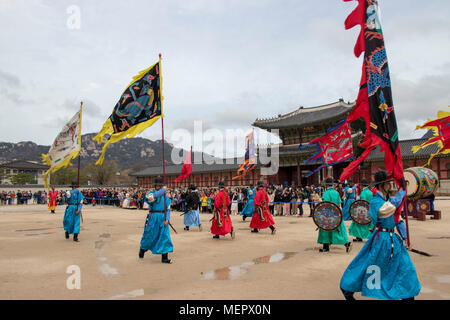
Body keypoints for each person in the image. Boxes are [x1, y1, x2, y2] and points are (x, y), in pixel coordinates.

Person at [340, 170, 421, 300]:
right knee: (368, 265)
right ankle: (347, 288)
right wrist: (401, 193)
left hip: (394, 240)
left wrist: (406, 238)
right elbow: (386, 210)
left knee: (405, 267)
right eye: (388, 183)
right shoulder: (376, 201)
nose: (390, 185)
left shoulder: (389, 200)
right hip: (381, 240)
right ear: (382, 185)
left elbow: (398, 219)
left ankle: (407, 295)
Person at [139, 177, 173, 263]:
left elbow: (168, 208)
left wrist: (167, 218)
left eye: (160, 185)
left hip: (163, 216)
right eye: (157, 185)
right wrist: (162, 191)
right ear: (155, 186)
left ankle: (164, 257)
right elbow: (151, 198)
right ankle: (143, 248)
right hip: (153, 216)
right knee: (149, 234)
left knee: (164, 236)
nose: (159, 186)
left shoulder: (165, 196)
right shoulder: (151, 193)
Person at [317, 178, 352, 253]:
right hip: (336, 213)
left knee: (325, 229)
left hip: (328, 215)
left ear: (326, 185)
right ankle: (346, 243)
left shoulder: (326, 193)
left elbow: (325, 204)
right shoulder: (336, 193)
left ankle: (326, 247)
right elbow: (339, 203)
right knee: (339, 230)